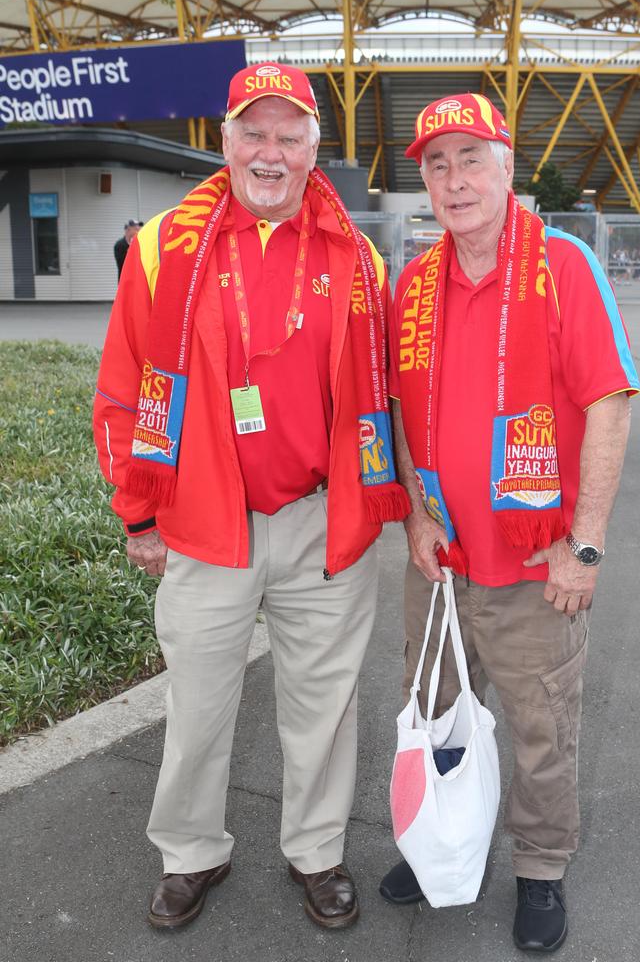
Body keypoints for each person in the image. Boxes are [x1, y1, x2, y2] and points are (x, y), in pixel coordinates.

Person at [93, 61, 408, 932]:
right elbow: (124, 389)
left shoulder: (358, 255)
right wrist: (140, 510)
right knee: (197, 707)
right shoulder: (166, 246)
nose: (271, 153)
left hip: (319, 519)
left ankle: (317, 851)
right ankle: (192, 853)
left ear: (315, 147)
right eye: (254, 133)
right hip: (202, 522)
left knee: (326, 706)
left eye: (289, 134)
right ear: (225, 141)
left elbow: (389, 391)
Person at [381, 93, 640, 954]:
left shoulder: (562, 267)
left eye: (468, 159)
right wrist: (416, 516)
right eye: (436, 164)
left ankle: (539, 869)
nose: (453, 180)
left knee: (540, 733)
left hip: (538, 567)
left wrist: (587, 541)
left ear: (504, 168)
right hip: (443, 562)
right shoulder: (413, 285)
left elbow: (609, 403)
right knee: (436, 711)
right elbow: (402, 418)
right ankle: (435, 844)